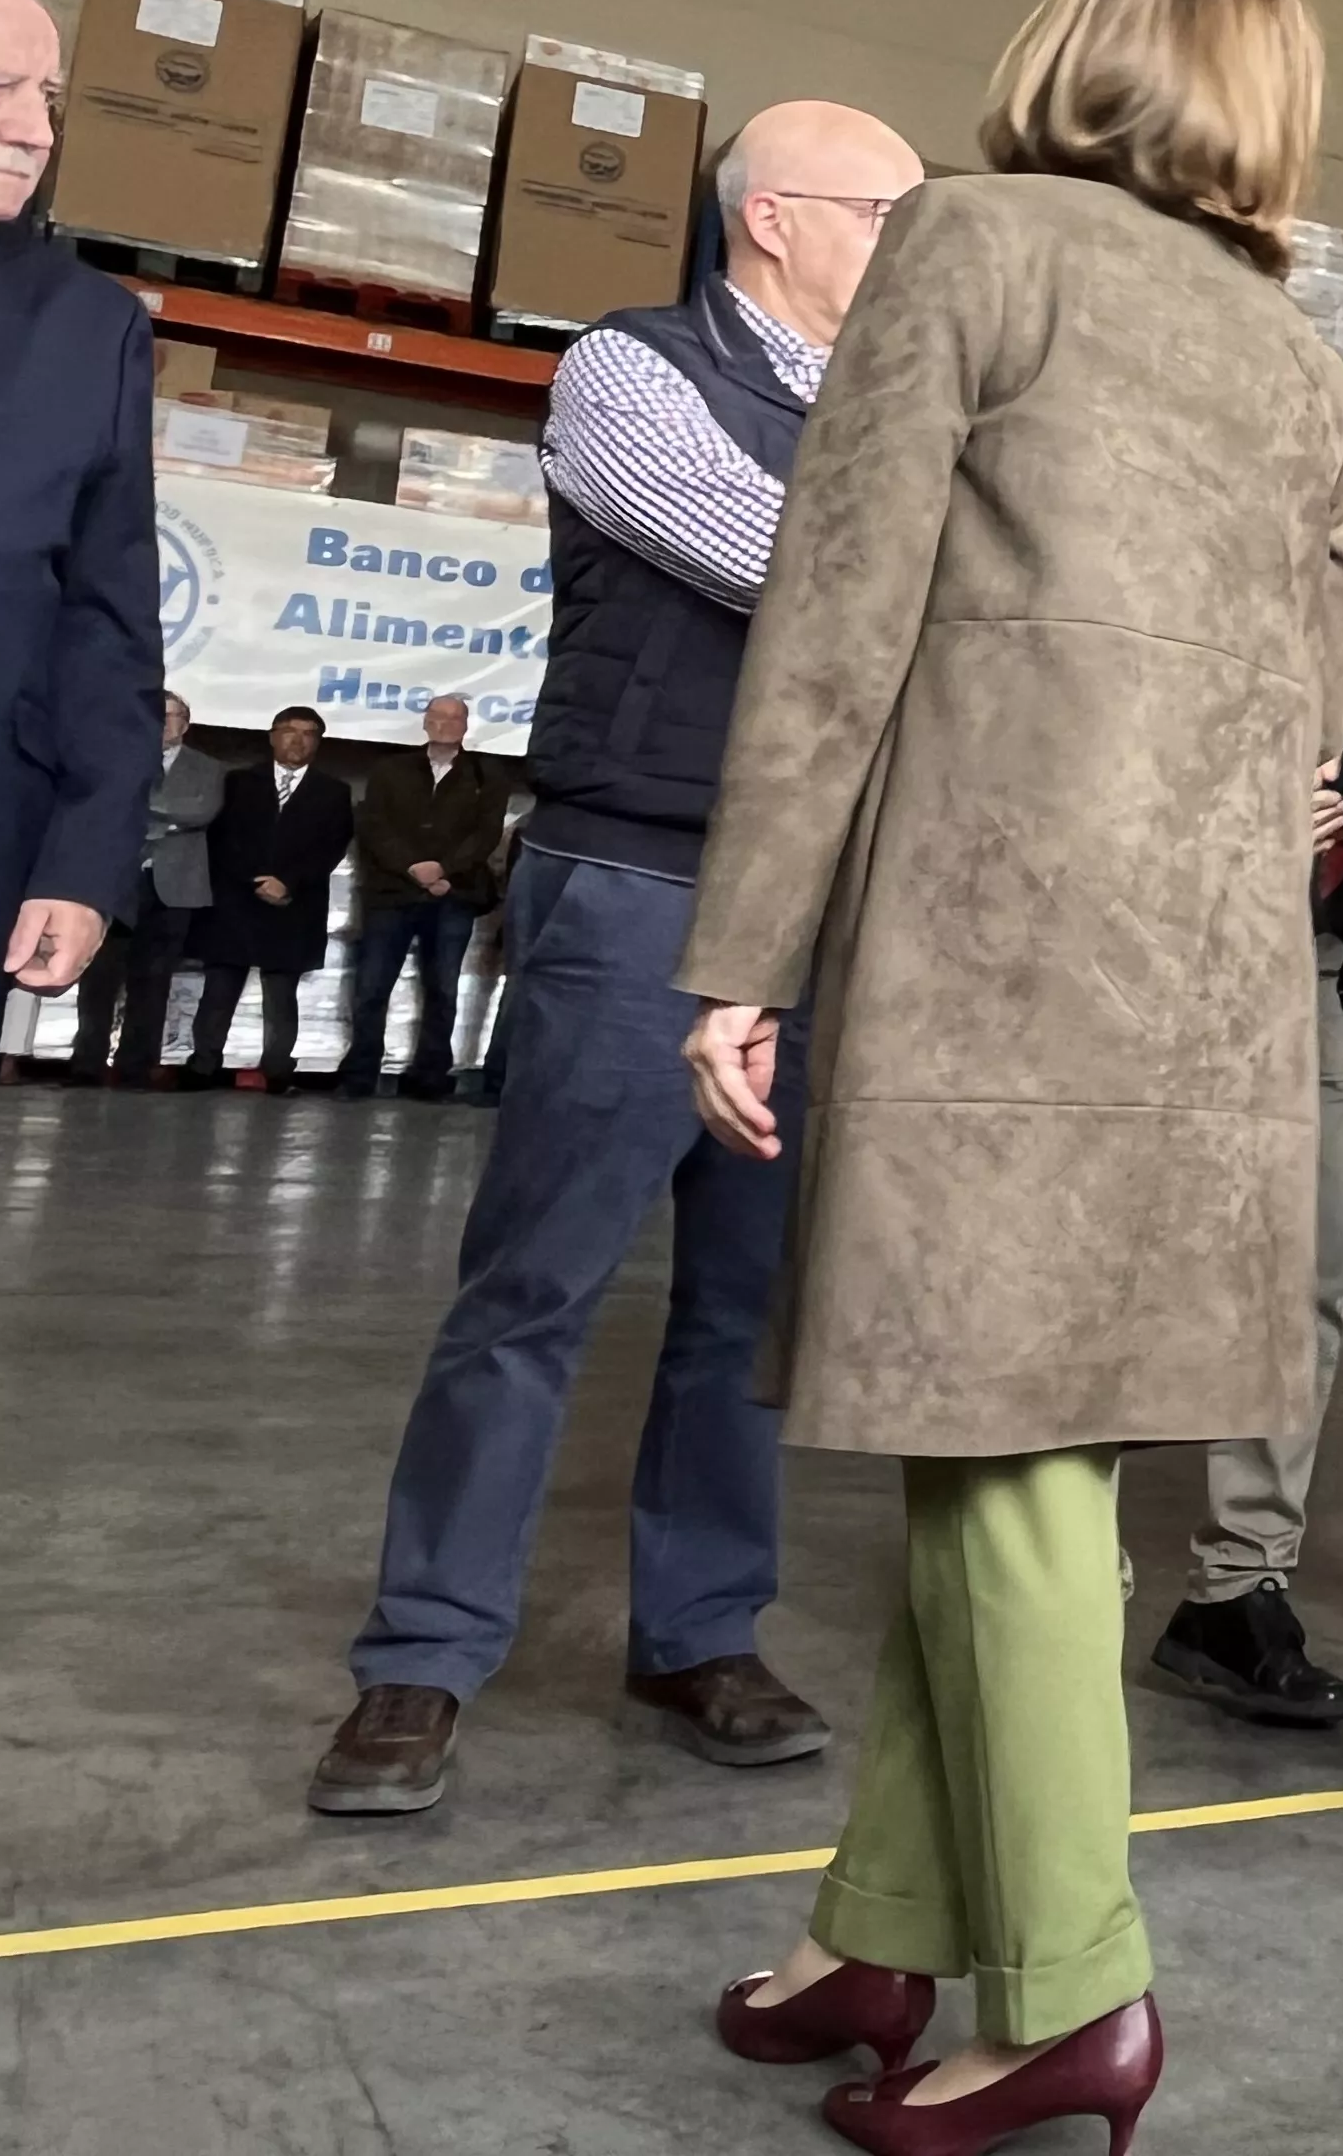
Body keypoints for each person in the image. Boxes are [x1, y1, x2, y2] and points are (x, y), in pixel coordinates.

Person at [685, 0, 1343, 2150]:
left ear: (1075, 51)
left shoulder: (967, 239)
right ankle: (883, 1928)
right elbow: (1312, 720)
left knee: (1004, 1468)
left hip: (993, 953)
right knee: (1018, 1452)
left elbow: (835, 611)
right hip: (1211, 981)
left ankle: (1072, 1989)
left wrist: (743, 950)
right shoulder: (1300, 357)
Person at [311, 95, 925, 1820]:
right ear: (774, 219)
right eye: (890, 210)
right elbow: (789, 568)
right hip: (639, 878)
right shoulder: (626, 371)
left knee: (743, 1306)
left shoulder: (904, 409)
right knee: (535, 1286)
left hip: (817, 913)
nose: (916, 244)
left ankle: (701, 1627)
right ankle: (420, 1658)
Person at [0, 0, 159, 1860]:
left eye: (50, 94)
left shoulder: (85, 319)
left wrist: (90, 848)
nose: (34, 119)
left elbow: (111, 606)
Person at [1148, 711, 1343, 1731]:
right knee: (1117, 1270)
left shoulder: (1304, 601)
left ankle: (1237, 1586)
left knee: (1322, 1258)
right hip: (1137, 957)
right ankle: (1041, 1587)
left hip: (1294, 971)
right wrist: (1235, 835)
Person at [339, 694, 511, 1099]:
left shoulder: (488, 775)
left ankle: (430, 1078)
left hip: (452, 895)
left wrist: (445, 871)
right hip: (392, 894)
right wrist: (414, 867)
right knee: (372, 988)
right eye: (439, 717)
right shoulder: (390, 770)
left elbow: (485, 834)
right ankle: (359, 1076)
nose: (447, 724)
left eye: (456, 718)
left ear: (466, 726)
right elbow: (374, 826)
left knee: (443, 991)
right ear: (426, 722)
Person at [188, 708, 355, 1092]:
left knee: (281, 997)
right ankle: (202, 1066)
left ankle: (278, 1071)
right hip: (235, 902)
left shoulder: (334, 791)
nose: (297, 740)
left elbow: (332, 847)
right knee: (219, 991)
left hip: (293, 906)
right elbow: (222, 839)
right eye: (289, 731)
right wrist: (255, 880)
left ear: (319, 741)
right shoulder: (238, 781)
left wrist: (288, 882)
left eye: (308, 733)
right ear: (272, 736)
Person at [73, 693, 227, 1085]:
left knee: (154, 980)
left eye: (171, 717)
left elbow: (202, 812)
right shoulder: (121, 759)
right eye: (156, 716)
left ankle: (135, 1067)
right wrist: (170, 820)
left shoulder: (209, 768)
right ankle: (86, 1065)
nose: (163, 724)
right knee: (99, 978)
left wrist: (146, 812)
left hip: (174, 889)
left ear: (186, 724)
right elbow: (111, 806)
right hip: (119, 883)